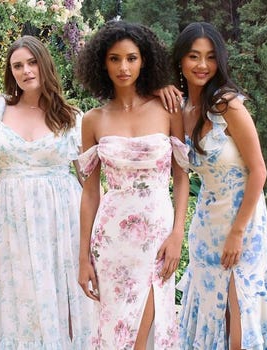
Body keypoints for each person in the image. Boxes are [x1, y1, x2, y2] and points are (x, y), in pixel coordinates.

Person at [0, 35, 94, 349]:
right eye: (17, 65)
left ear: (44, 65)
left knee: (65, 299)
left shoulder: (73, 117)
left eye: (31, 63)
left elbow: (88, 184)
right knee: (22, 297)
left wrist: (93, 240)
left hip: (63, 222)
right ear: (10, 72)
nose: (26, 70)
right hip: (14, 221)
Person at [163, 22, 267, 350]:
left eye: (210, 57)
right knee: (212, 311)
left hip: (243, 221)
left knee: (240, 313)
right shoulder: (181, 111)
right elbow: (180, 174)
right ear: (180, 60)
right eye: (193, 56)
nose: (202, 65)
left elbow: (259, 171)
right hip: (205, 224)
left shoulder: (229, 105)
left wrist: (237, 232)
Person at [75, 20, 190, 350]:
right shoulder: (93, 119)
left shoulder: (168, 109)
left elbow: (181, 177)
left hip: (156, 234)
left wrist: (178, 233)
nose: (123, 67)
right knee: (112, 329)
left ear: (144, 60)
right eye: (114, 59)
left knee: (141, 332)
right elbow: (90, 191)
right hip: (110, 239)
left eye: (131, 58)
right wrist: (83, 257)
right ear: (102, 63)